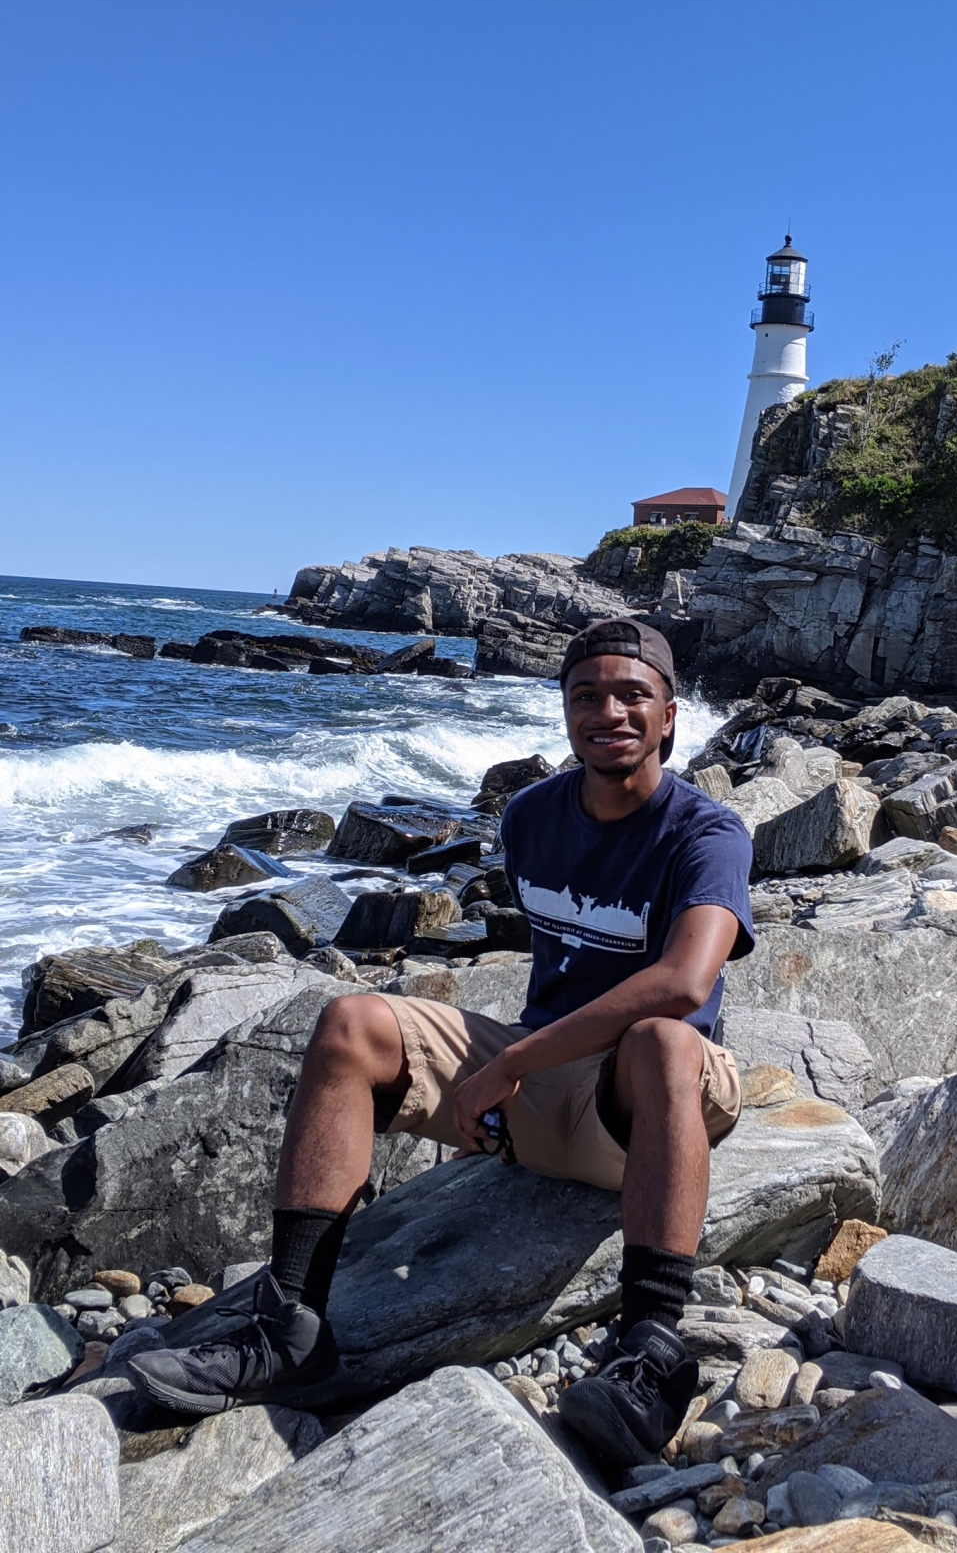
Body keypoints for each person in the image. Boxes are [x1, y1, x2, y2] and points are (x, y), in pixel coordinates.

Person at [130, 618, 755, 1466]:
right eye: (586, 696)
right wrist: (512, 1077)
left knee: (662, 1040)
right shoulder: (531, 818)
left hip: (645, 1103)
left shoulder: (707, 833)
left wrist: (509, 1065)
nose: (608, 712)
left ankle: (649, 1349)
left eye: (631, 695)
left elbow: (687, 982)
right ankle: (290, 1325)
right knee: (351, 1020)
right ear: (564, 713)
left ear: (670, 717)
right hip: (541, 1086)